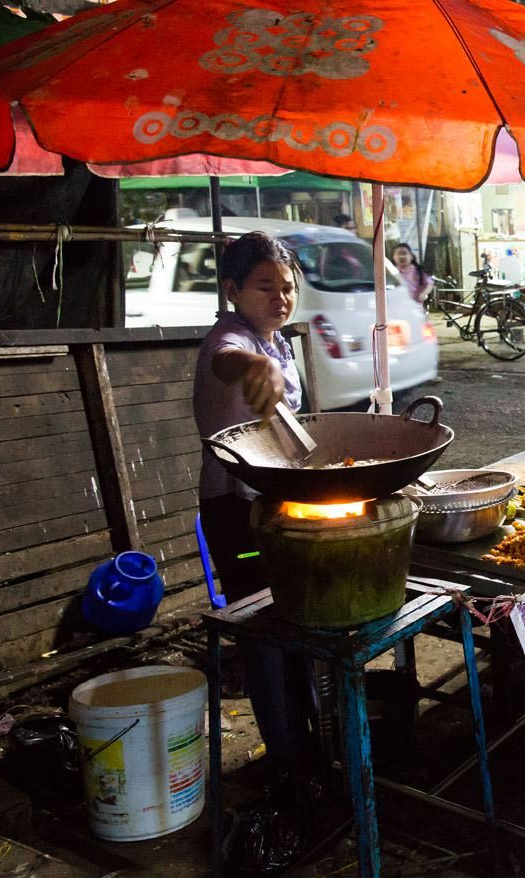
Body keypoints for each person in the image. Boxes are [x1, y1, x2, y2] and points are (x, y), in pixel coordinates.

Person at [193, 232, 313, 774]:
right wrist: (251, 368)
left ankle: (310, 740)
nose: (280, 298)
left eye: (287, 288)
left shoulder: (278, 342)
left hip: (275, 504)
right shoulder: (232, 338)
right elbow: (225, 360)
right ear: (232, 288)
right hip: (237, 514)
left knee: (297, 621)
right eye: (265, 287)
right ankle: (285, 760)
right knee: (266, 632)